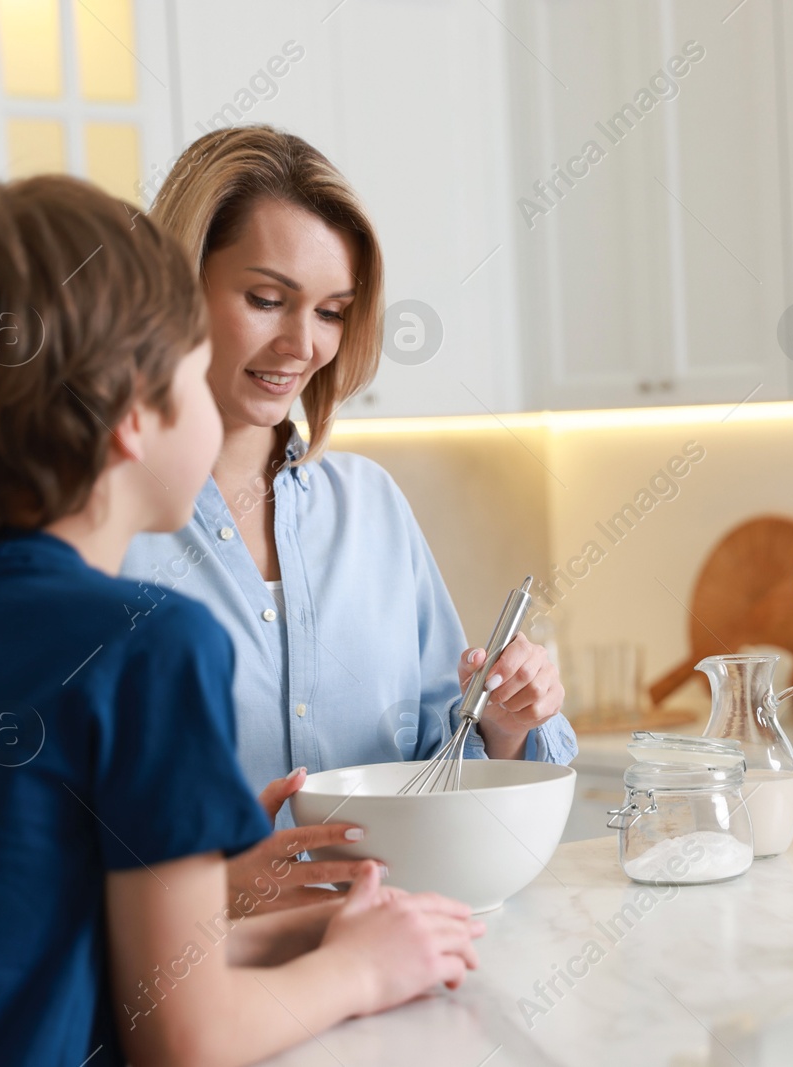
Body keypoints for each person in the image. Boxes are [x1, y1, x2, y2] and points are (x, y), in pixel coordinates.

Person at [0, 175, 481, 1066]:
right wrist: (355, 974)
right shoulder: (149, 641)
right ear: (134, 416)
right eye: (191, 369)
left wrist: (317, 934)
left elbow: (50, 949)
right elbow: (185, 1039)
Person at [122, 126, 577, 904]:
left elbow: (439, 772)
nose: (303, 344)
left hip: (388, 966)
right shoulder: (104, 526)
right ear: (177, 285)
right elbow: (44, 829)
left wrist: (505, 721)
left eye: (332, 311)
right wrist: (221, 891)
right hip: (193, 996)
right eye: (266, 299)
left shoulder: (370, 508)